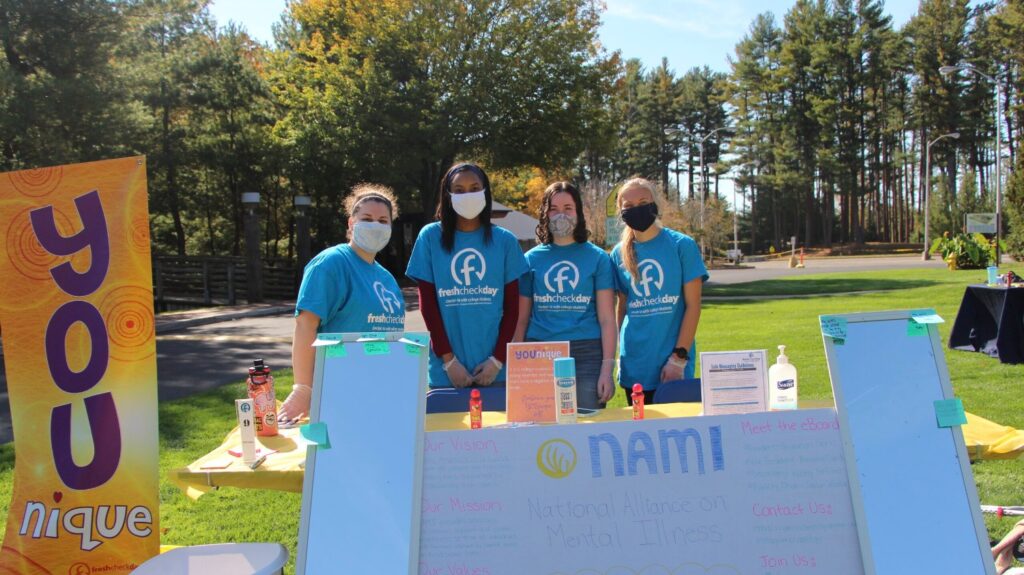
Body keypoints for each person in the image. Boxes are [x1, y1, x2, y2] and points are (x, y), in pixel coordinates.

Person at [278, 184, 405, 423]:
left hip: (379, 397)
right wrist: (304, 388)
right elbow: (306, 326)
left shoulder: (386, 279)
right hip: (336, 398)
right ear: (350, 224)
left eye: (382, 221)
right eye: (367, 218)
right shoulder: (331, 264)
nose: (375, 225)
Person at [406, 162, 527, 388]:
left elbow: (512, 309)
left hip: (495, 371)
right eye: (459, 190)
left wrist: (498, 360)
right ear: (448, 195)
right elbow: (428, 306)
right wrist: (448, 360)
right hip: (446, 372)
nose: (467, 194)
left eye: (474, 188)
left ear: (485, 192)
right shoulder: (430, 237)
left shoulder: (505, 241)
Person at [514, 181, 617, 408]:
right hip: (539, 351)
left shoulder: (598, 258)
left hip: (586, 353)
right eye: (554, 209)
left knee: (586, 424)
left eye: (568, 208)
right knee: (540, 427)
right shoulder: (530, 259)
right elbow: (521, 320)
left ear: (578, 213)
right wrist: (515, 371)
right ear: (544, 214)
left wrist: (607, 369)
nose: (561, 214)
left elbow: (607, 319)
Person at [610, 177, 707, 405]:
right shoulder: (617, 254)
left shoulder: (682, 246)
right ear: (621, 213)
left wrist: (678, 358)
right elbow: (622, 307)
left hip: (671, 366)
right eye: (629, 206)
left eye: (643, 201)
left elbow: (693, 306)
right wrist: (617, 356)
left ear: (656, 204)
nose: (637, 209)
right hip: (635, 364)